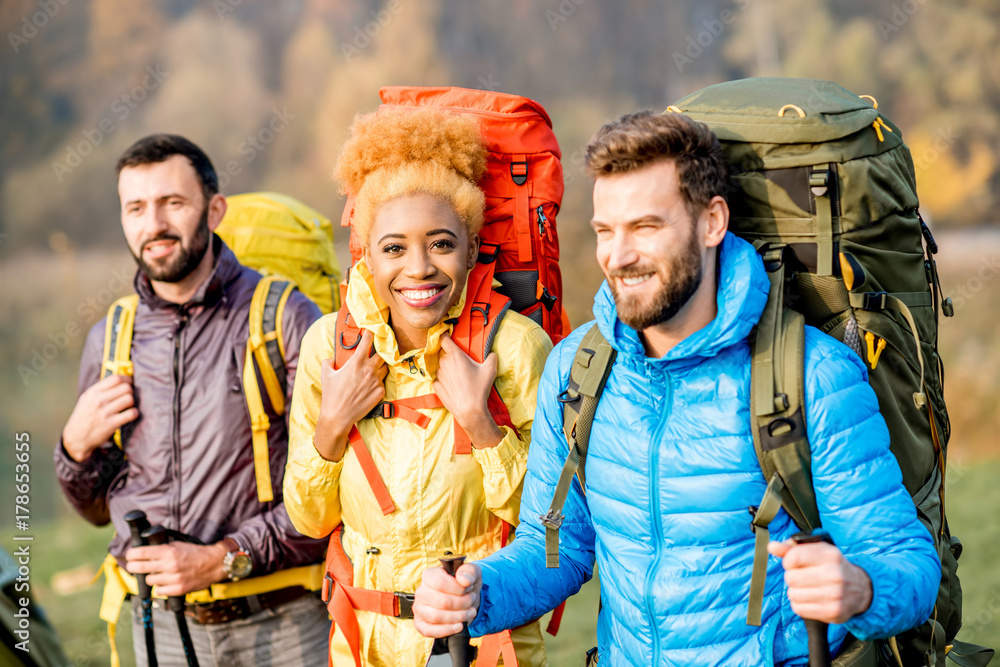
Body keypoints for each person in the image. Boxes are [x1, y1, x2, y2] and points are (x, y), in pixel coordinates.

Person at [412, 111, 941, 665]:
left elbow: (910, 566)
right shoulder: (577, 369)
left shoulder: (813, 375)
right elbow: (558, 549)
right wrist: (476, 591)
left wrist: (860, 589)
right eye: (605, 231)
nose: (618, 256)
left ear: (712, 222)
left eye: (644, 227)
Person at [282, 108, 553, 666]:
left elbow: (552, 528)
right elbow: (307, 520)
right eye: (394, 248)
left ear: (472, 248)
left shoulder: (518, 346)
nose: (420, 269)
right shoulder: (325, 349)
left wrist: (481, 425)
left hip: (484, 642)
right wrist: (332, 426)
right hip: (363, 646)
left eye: (441, 244)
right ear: (366, 253)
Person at [54, 134, 330, 666]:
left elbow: (331, 492)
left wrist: (220, 560)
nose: (153, 224)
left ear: (214, 209)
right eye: (136, 207)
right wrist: (74, 449)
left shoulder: (285, 318)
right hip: (159, 628)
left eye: (172, 203)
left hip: (285, 626)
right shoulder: (111, 337)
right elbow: (94, 511)